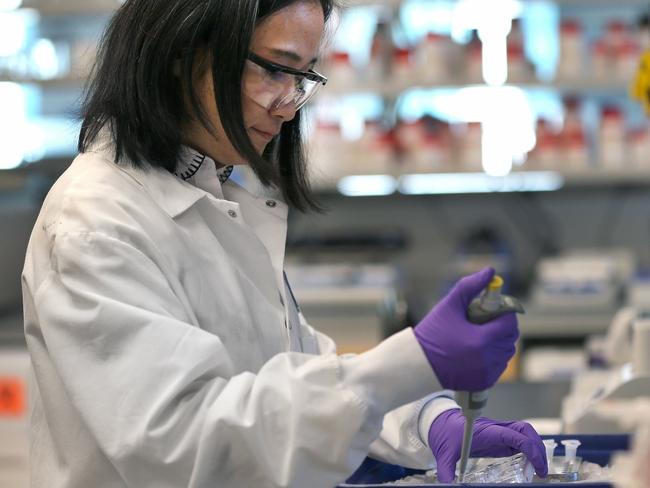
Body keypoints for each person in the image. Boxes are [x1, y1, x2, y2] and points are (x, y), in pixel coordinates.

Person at [21, 1, 547, 487]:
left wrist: (430, 419)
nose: (289, 107)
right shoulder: (94, 221)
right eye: (274, 68)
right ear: (182, 50)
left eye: (302, 77)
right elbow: (189, 441)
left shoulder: (211, 196)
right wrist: (413, 361)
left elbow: (294, 369)